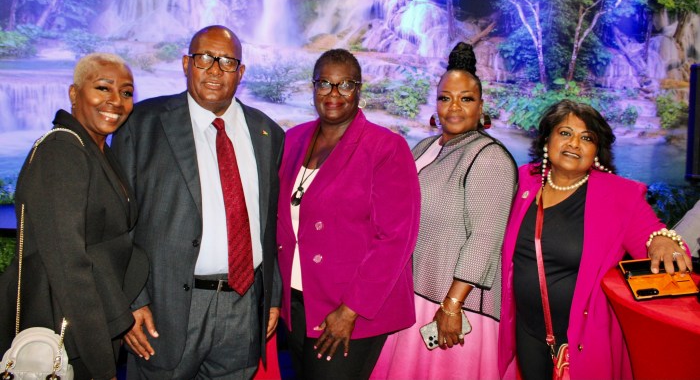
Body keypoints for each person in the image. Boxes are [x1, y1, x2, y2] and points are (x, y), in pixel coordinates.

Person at [111, 25, 285, 378]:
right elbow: (117, 224)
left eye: (226, 61)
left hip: (243, 306)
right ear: (186, 63)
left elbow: (269, 225)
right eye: (204, 59)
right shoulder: (142, 125)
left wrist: (273, 297)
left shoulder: (268, 133)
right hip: (165, 307)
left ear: (241, 72)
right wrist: (130, 301)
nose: (215, 70)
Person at [498, 99, 693, 380]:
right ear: (546, 140)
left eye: (586, 137)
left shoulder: (619, 196)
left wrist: (663, 241)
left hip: (583, 339)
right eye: (565, 133)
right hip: (526, 333)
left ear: (596, 152)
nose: (574, 143)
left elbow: (654, 234)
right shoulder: (522, 182)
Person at [371, 42, 517, 380]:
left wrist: (452, 305)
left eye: (465, 99)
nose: (454, 107)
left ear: (481, 106)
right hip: (412, 294)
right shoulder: (424, 146)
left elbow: (485, 238)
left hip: (451, 304)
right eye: (445, 97)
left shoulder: (488, 158)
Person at [0, 53, 148, 380]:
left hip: (86, 324)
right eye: (103, 88)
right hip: (64, 330)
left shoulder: (96, 151)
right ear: (73, 93)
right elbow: (69, 267)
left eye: (126, 93)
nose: (116, 101)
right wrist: (101, 364)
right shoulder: (62, 152)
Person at [276, 49, 420, 380]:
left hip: (348, 309)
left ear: (359, 89)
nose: (334, 94)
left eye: (345, 85)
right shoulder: (293, 139)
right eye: (325, 83)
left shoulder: (385, 148)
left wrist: (350, 310)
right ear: (313, 87)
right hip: (297, 302)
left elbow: (395, 238)